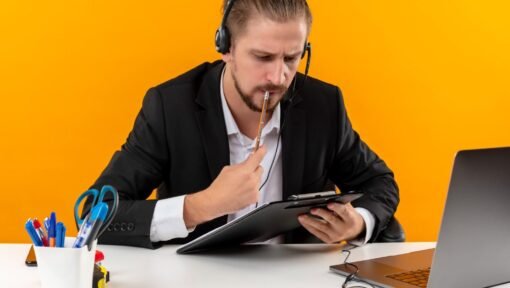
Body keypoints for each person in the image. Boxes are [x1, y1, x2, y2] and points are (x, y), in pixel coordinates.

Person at [90, 0, 399, 249]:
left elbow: (380, 183)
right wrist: (200, 206)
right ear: (226, 47)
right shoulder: (171, 108)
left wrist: (358, 222)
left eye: (291, 58)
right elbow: (94, 214)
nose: (278, 77)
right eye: (263, 57)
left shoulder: (323, 105)